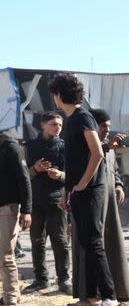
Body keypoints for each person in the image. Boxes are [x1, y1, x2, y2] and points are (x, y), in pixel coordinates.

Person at [49, 73, 117, 306]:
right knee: (85, 243)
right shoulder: (71, 120)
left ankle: (110, 296)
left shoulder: (83, 116)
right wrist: (67, 194)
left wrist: (83, 184)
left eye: (54, 94)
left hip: (90, 190)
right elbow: (74, 161)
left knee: (94, 242)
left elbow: (97, 153)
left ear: (59, 95)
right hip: (77, 192)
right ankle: (90, 296)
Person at [71, 108, 129, 303]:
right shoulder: (85, 146)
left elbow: (114, 171)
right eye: (103, 126)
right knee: (90, 245)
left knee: (111, 246)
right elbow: (85, 162)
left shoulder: (109, 147)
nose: (107, 130)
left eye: (109, 126)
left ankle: (115, 293)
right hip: (90, 201)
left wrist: (119, 186)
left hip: (109, 204)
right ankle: (91, 294)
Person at [24, 112, 71, 294]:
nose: (58, 128)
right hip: (35, 201)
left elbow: (73, 175)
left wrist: (60, 175)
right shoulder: (30, 147)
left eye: (60, 125)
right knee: (37, 240)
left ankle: (64, 279)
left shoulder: (65, 147)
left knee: (60, 241)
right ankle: (41, 279)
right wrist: (35, 169)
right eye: (53, 124)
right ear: (43, 125)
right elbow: (22, 176)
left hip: (57, 201)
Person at [0, 129, 32, 306]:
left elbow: (24, 178)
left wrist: (27, 210)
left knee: (5, 254)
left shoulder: (9, 146)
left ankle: (11, 301)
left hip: (8, 207)